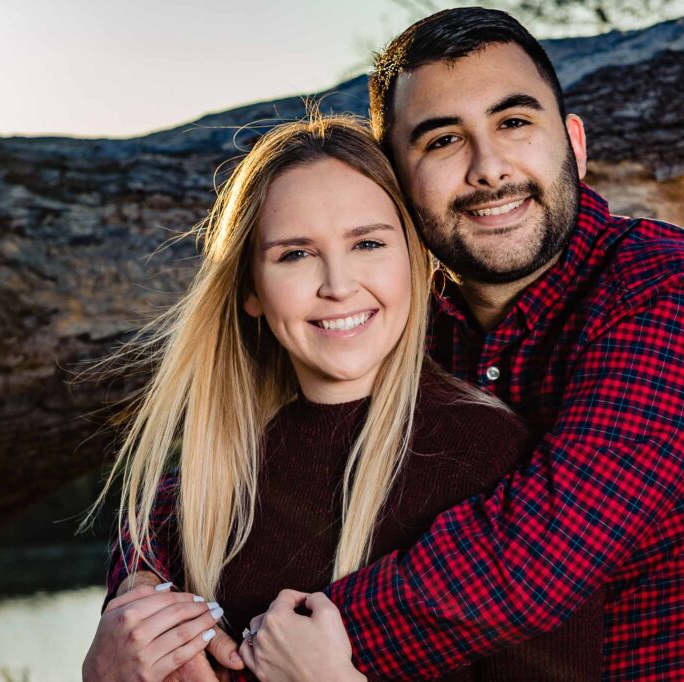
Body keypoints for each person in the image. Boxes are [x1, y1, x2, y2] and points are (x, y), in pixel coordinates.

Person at [241, 8, 684, 681]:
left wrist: (255, 653)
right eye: (443, 139)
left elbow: (531, 561)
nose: (488, 168)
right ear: (395, 180)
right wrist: (146, 589)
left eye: (514, 123)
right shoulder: (401, 325)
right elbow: (247, 456)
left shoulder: (670, 295)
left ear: (573, 143)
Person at [81, 117, 604, 681]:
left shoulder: (492, 460)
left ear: (417, 261)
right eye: (295, 255)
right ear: (251, 289)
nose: (337, 283)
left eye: (368, 243)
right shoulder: (203, 485)